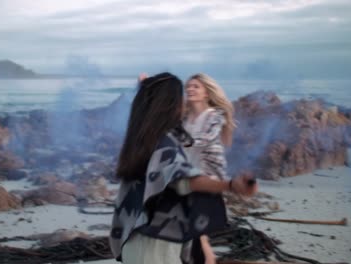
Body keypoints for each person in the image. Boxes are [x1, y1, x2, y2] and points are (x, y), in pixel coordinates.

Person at [109, 72, 257, 264]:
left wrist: (146, 87)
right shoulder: (165, 146)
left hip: (135, 240)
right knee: (201, 244)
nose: (184, 103)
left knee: (201, 247)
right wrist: (230, 186)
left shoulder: (142, 140)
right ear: (170, 105)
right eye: (181, 98)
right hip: (153, 250)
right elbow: (184, 181)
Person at [183, 73, 248, 264]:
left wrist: (173, 143)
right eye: (188, 86)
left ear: (206, 93)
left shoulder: (214, 116)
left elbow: (203, 141)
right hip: (188, 179)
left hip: (207, 180)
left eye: (196, 86)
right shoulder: (186, 117)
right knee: (195, 235)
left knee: (195, 234)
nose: (190, 89)